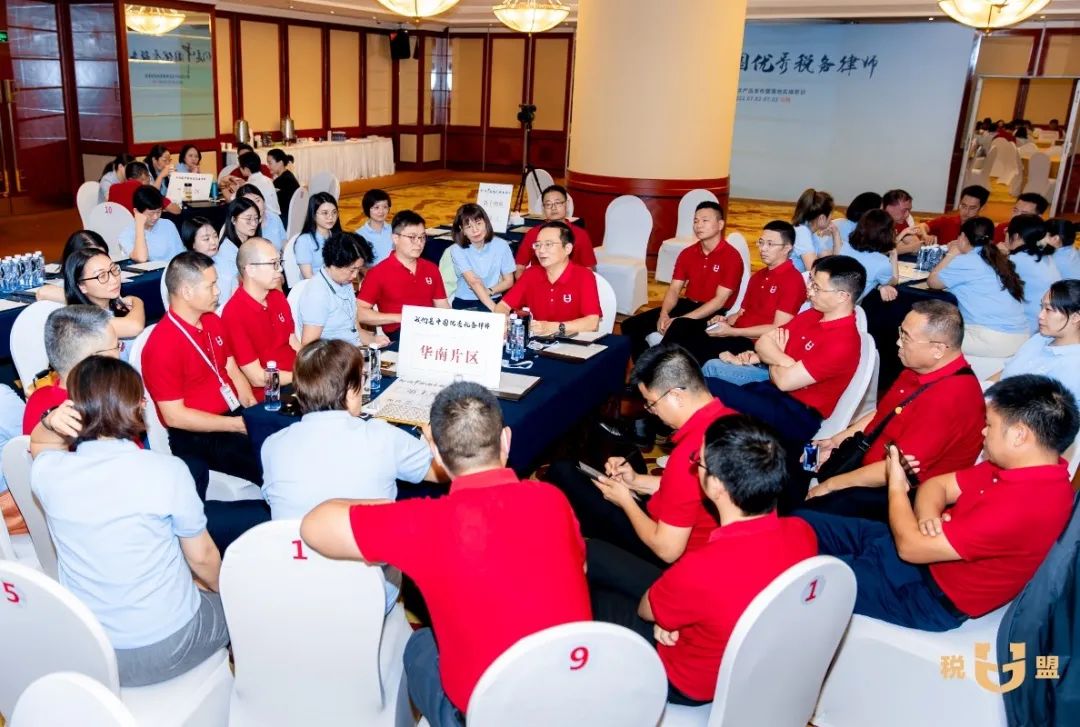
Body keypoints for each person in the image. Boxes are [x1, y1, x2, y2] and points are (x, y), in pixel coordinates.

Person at [301, 382, 591, 727]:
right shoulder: (552, 500)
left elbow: (314, 526)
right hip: (578, 698)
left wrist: (389, 511)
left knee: (419, 645)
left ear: (435, 453)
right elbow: (581, 569)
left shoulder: (425, 523)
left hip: (488, 716)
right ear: (506, 440)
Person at [798, 374, 1079, 631]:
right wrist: (927, 519)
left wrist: (896, 484)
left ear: (1019, 435)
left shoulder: (1029, 505)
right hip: (905, 551)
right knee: (799, 525)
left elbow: (911, 548)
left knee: (796, 577)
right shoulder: (1021, 466)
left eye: (990, 425)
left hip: (923, 595)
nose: (983, 432)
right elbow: (937, 486)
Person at [29, 355, 229, 686]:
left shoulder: (49, 474)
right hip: (171, 646)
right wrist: (225, 593)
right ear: (136, 406)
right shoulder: (166, 471)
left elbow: (38, 444)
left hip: (94, 649)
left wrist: (50, 422)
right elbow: (203, 558)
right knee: (244, 605)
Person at [591, 415, 818, 706]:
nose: (695, 465)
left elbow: (646, 610)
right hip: (749, 663)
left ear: (717, 486)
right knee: (598, 554)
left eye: (699, 462)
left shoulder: (702, 566)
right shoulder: (802, 532)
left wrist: (666, 619)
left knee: (594, 597)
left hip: (687, 681)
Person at [547, 344, 732, 589]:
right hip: (703, 543)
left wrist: (625, 500)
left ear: (676, 395)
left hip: (673, 556)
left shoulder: (689, 454)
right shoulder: (731, 420)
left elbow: (667, 550)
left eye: (652, 403)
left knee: (563, 474)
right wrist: (635, 481)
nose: (652, 412)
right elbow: (689, 491)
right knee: (605, 465)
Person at [803, 301, 984, 520]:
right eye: (901, 331)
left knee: (808, 513)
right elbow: (883, 415)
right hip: (864, 457)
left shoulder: (949, 398)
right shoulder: (918, 369)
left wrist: (831, 485)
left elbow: (898, 470)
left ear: (937, 349)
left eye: (906, 337)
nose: (898, 342)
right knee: (800, 459)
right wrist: (836, 440)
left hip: (894, 491)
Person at [705, 255, 864, 489]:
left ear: (843, 296)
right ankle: (704, 462)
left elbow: (784, 382)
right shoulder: (813, 314)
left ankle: (702, 465)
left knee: (706, 387)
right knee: (705, 383)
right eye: (811, 283)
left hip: (796, 416)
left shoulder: (844, 341)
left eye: (817, 287)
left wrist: (776, 357)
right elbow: (763, 342)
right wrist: (784, 360)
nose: (809, 291)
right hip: (770, 393)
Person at [141, 251, 261, 483]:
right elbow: (174, 416)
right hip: (196, 436)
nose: (218, 291)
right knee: (267, 459)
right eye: (211, 286)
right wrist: (236, 425)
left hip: (233, 417)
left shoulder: (212, 321)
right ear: (187, 292)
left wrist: (253, 412)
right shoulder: (161, 346)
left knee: (282, 437)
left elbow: (232, 370)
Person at [670, 220, 805, 366]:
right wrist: (724, 320)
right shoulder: (758, 276)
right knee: (681, 325)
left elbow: (778, 328)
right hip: (735, 332)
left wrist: (732, 332)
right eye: (761, 242)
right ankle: (658, 364)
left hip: (752, 343)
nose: (763, 249)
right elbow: (741, 313)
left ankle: (667, 367)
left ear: (787, 248)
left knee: (692, 348)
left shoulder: (793, 281)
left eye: (770, 244)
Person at [621, 201, 742, 360]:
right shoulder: (687, 253)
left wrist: (681, 319)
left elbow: (719, 301)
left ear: (720, 224)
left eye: (705, 220)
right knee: (630, 325)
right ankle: (644, 370)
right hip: (686, 304)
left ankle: (656, 369)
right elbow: (674, 289)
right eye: (696, 221)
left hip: (712, 313)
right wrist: (664, 314)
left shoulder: (732, 257)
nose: (699, 225)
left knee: (676, 330)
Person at [928, 216, 1029, 359]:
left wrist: (952, 253)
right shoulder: (998, 258)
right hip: (1020, 335)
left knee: (925, 339)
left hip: (992, 337)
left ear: (963, 237)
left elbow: (933, 282)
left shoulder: (967, 260)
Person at [23, 305, 120, 436]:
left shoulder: (37, 399)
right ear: (94, 361)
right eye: (117, 346)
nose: (120, 352)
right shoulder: (102, 404)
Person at [221, 238, 299, 400]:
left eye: (279, 262)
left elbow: (294, 343)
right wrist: (301, 377)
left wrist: (315, 369)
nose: (280, 269)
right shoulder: (234, 313)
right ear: (250, 269)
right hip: (271, 393)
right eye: (273, 264)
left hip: (298, 379)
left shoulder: (277, 296)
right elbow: (256, 377)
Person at [495, 220, 601, 336]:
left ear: (567, 248)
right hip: (538, 340)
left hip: (573, 340)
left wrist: (554, 327)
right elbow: (503, 306)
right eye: (537, 245)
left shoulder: (584, 276)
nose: (541, 250)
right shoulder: (531, 274)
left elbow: (592, 322)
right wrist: (503, 321)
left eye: (548, 244)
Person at [358, 210, 450, 339]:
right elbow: (360, 313)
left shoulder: (431, 268)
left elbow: (443, 307)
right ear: (396, 238)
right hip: (400, 332)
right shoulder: (378, 273)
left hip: (431, 329)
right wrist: (401, 318)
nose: (419, 243)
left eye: (422, 237)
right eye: (412, 237)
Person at [298, 231, 386, 347]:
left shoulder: (344, 281)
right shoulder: (317, 294)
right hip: (333, 354)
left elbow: (355, 331)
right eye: (352, 270)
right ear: (334, 263)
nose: (355, 276)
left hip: (353, 349)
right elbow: (309, 347)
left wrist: (374, 340)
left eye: (358, 269)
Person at [998, 280, 1080, 405]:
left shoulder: (1074, 365)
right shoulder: (1039, 339)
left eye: (1048, 309)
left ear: (1075, 317)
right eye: (1042, 307)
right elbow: (1005, 372)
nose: (1040, 315)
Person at [63, 248, 146, 358]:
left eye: (114, 269)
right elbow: (135, 327)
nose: (114, 280)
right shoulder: (81, 321)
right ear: (82, 286)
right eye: (101, 276)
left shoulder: (115, 307)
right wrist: (137, 301)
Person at [514, 184, 597, 276]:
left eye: (558, 203)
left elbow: (589, 269)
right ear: (543, 208)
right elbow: (520, 267)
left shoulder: (580, 234)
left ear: (566, 204)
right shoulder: (533, 233)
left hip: (572, 281)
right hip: (539, 282)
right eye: (548, 204)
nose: (553, 208)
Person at [448, 203, 516, 312]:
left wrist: (489, 291)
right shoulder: (457, 249)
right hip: (466, 301)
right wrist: (496, 311)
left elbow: (509, 281)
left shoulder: (502, 245)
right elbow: (474, 282)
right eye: (469, 227)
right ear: (462, 230)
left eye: (478, 223)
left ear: (486, 223)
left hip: (494, 297)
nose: (475, 230)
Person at [1004, 214, 1060, 332]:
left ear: (1016, 236)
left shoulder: (1015, 260)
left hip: (1030, 325)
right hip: (1051, 321)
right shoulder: (1045, 256)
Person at [839, 208, 898, 302]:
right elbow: (893, 281)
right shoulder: (882, 263)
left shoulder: (843, 246)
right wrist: (894, 256)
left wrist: (879, 286)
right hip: (846, 307)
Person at [118, 186, 184, 263]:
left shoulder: (168, 224)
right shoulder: (126, 234)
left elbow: (181, 255)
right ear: (137, 212)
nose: (155, 217)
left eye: (159, 212)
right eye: (151, 214)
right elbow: (141, 258)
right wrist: (139, 225)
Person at [216, 196, 262, 301]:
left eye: (256, 219)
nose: (254, 224)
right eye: (248, 219)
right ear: (233, 220)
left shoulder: (252, 243)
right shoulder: (228, 250)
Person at [916, 184, 990, 246]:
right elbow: (922, 226)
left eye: (972, 208)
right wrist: (925, 235)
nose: (966, 212)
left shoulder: (985, 229)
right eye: (963, 206)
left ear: (982, 208)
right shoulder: (946, 221)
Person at [791, 188, 842, 272]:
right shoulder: (802, 232)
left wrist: (835, 233)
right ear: (822, 218)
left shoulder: (810, 232)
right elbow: (813, 269)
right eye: (831, 214)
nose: (831, 218)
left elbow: (833, 260)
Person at [294, 192, 341, 279]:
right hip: (315, 285)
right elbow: (308, 276)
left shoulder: (339, 237)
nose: (331, 217)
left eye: (334, 212)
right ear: (313, 215)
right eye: (325, 213)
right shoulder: (304, 241)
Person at [108, 161, 179, 214]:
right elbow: (176, 210)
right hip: (138, 227)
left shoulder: (113, 188)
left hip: (116, 227)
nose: (149, 180)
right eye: (148, 176)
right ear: (144, 175)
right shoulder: (144, 190)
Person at [239, 183, 287, 252]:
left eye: (257, 200)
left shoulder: (274, 218)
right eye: (249, 203)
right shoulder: (242, 227)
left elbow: (284, 241)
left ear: (263, 200)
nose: (256, 206)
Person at [356, 188, 393, 263]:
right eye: (376, 207)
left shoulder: (394, 229)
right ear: (367, 209)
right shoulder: (359, 235)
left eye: (385, 207)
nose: (381, 211)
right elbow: (359, 263)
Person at [237, 151, 280, 215]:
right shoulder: (267, 179)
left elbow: (232, 200)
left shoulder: (249, 185)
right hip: (276, 217)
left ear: (246, 169)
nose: (239, 168)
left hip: (266, 218)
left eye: (240, 166)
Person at [266, 148, 300, 219]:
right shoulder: (288, 174)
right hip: (295, 216)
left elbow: (272, 204)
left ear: (280, 163)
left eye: (270, 163)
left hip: (286, 217)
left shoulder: (281, 181)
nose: (268, 166)